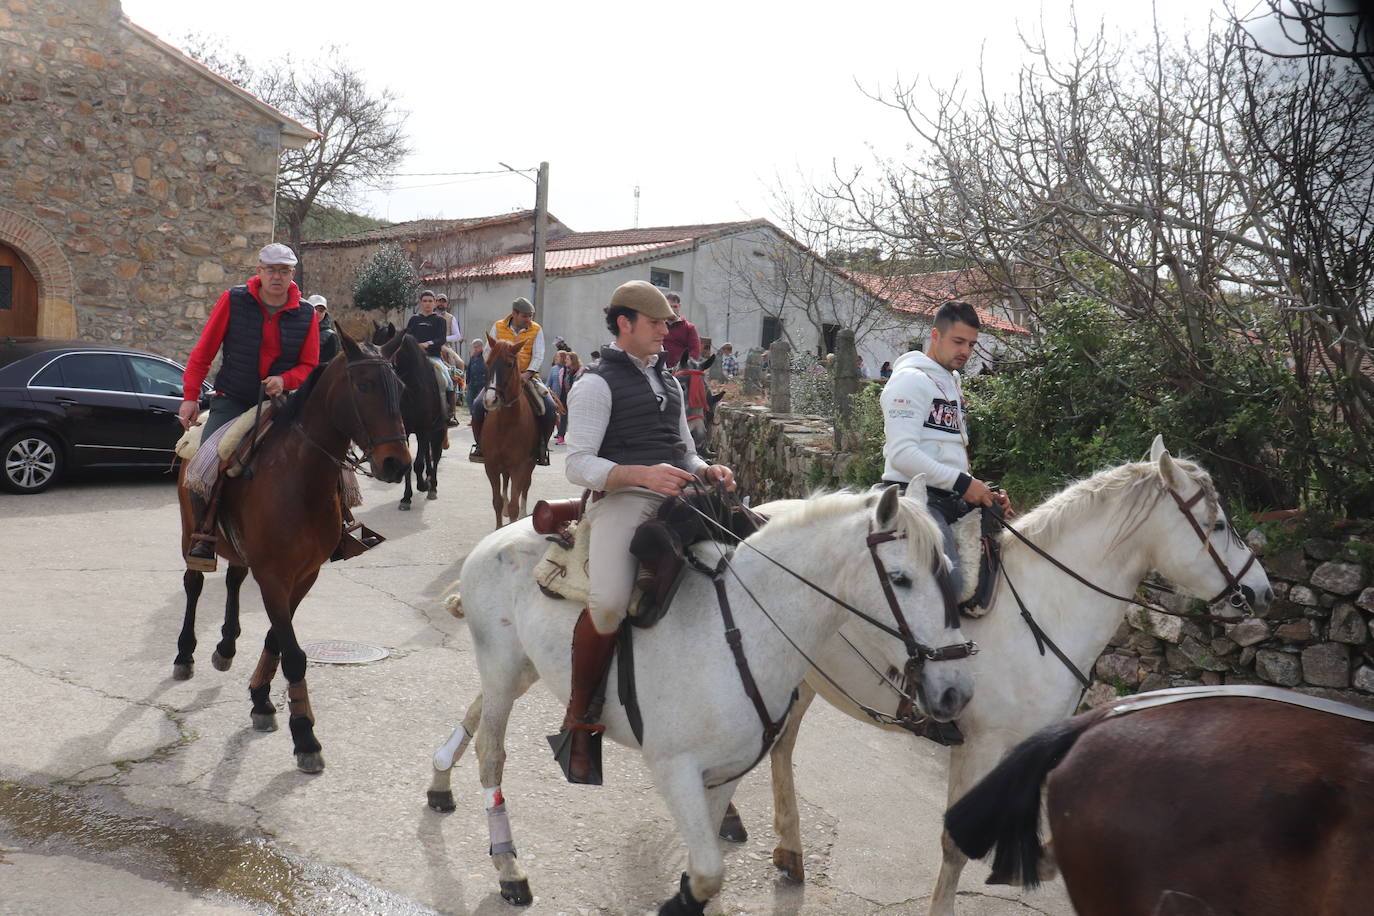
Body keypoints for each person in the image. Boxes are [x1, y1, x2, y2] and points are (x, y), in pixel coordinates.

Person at [555, 280, 736, 784]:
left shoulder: (672, 382)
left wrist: (708, 470)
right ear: (624, 324)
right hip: (625, 498)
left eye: (667, 324)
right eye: (656, 324)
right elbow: (578, 465)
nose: (666, 331)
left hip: (681, 493)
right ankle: (580, 718)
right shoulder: (594, 383)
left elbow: (686, 450)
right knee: (610, 600)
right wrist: (640, 475)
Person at [177, 243, 320, 570]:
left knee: (331, 460)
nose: (276, 276)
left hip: (280, 402)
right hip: (232, 400)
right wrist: (189, 396)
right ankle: (204, 534)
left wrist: (285, 380)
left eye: (283, 271)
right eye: (271, 269)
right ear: (259, 271)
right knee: (203, 466)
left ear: (292, 275)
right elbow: (203, 352)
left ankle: (339, 529)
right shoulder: (234, 300)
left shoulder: (307, 314)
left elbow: (309, 365)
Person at [880, 301, 1012, 595]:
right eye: (958, 341)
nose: (965, 351)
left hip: (950, 496)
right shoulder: (909, 380)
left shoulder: (952, 381)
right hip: (913, 498)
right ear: (935, 337)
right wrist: (964, 483)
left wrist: (985, 492)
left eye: (972, 344)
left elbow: (947, 450)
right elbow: (901, 454)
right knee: (948, 585)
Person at [469, 296, 557, 464]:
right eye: (525, 316)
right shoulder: (498, 326)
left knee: (550, 408)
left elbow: (539, 355)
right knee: (478, 405)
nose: (529, 320)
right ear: (514, 314)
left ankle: (542, 447)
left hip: (528, 377)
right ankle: (480, 446)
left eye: (531, 316)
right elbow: (488, 352)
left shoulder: (536, 329)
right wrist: (496, 370)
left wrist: (527, 374)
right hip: (501, 377)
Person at [660, 291, 701, 369]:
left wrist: (683, 366)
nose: (672, 309)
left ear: (679, 306)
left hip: (680, 372)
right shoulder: (658, 326)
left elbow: (695, 351)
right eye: (669, 306)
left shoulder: (689, 328)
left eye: (675, 306)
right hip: (659, 369)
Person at [555, 351, 583, 444]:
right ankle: (561, 437)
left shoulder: (580, 371)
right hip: (565, 397)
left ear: (573, 360)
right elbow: (561, 384)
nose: (565, 360)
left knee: (576, 418)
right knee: (563, 417)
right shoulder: (563, 371)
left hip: (576, 398)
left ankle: (577, 437)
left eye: (567, 359)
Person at [307, 295, 339, 364]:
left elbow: (330, 363)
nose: (317, 313)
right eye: (314, 309)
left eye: (321, 310)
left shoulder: (330, 336)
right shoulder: (298, 329)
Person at [465, 338, 486, 415]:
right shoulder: (473, 357)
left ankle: (479, 418)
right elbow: (468, 370)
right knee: (469, 400)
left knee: (479, 403)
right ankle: (473, 417)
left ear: (481, 347)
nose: (475, 349)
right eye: (474, 347)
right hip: (472, 384)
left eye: (476, 347)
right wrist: (467, 383)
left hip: (482, 384)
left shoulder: (485, 356)